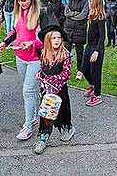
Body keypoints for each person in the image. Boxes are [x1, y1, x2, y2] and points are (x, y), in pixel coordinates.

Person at [0, 0, 56, 140]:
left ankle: (28, 126)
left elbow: (48, 36)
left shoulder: (41, 14)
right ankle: (34, 116)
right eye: (18, 1)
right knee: (30, 90)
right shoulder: (19, 12)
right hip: (20, 56)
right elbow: (15, 31)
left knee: (27, 91)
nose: (21, 3)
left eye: (24, 0)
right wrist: (5, 42)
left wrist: (33, 43)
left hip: (35, 58)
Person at [33, 25, 75, 154]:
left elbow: (66, 73)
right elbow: (43, 68)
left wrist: (53, 79)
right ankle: (43, 137)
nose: (57, 40)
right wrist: (40, 73)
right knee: (46, 114)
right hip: (46, 91)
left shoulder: (65, 54)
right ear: (48, 40)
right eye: (53, 38)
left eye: (59, 38)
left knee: (62, 113)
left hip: (60, 90)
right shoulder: (44, 53)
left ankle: (68, 128)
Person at [80, 0, 106, 106]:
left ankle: (97, 95)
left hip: (96, 48)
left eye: (91, 1)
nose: (89, 3)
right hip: (89, 46)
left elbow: (102, 37)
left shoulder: (100, 18)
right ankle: (93, 84)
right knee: (84, 68)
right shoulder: (92, 15)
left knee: (95, 71)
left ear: (96, 2)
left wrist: (97, 51)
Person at [63, 0, 89, 80]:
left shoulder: (85, 1)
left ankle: (80, 70)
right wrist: (75, 14)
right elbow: (66, 12)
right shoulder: (70, 0)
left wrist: (72, 16)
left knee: (80, 52)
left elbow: (83, 14)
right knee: (66, 51)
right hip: (69, 29)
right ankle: (66, 70)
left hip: (80, 29)